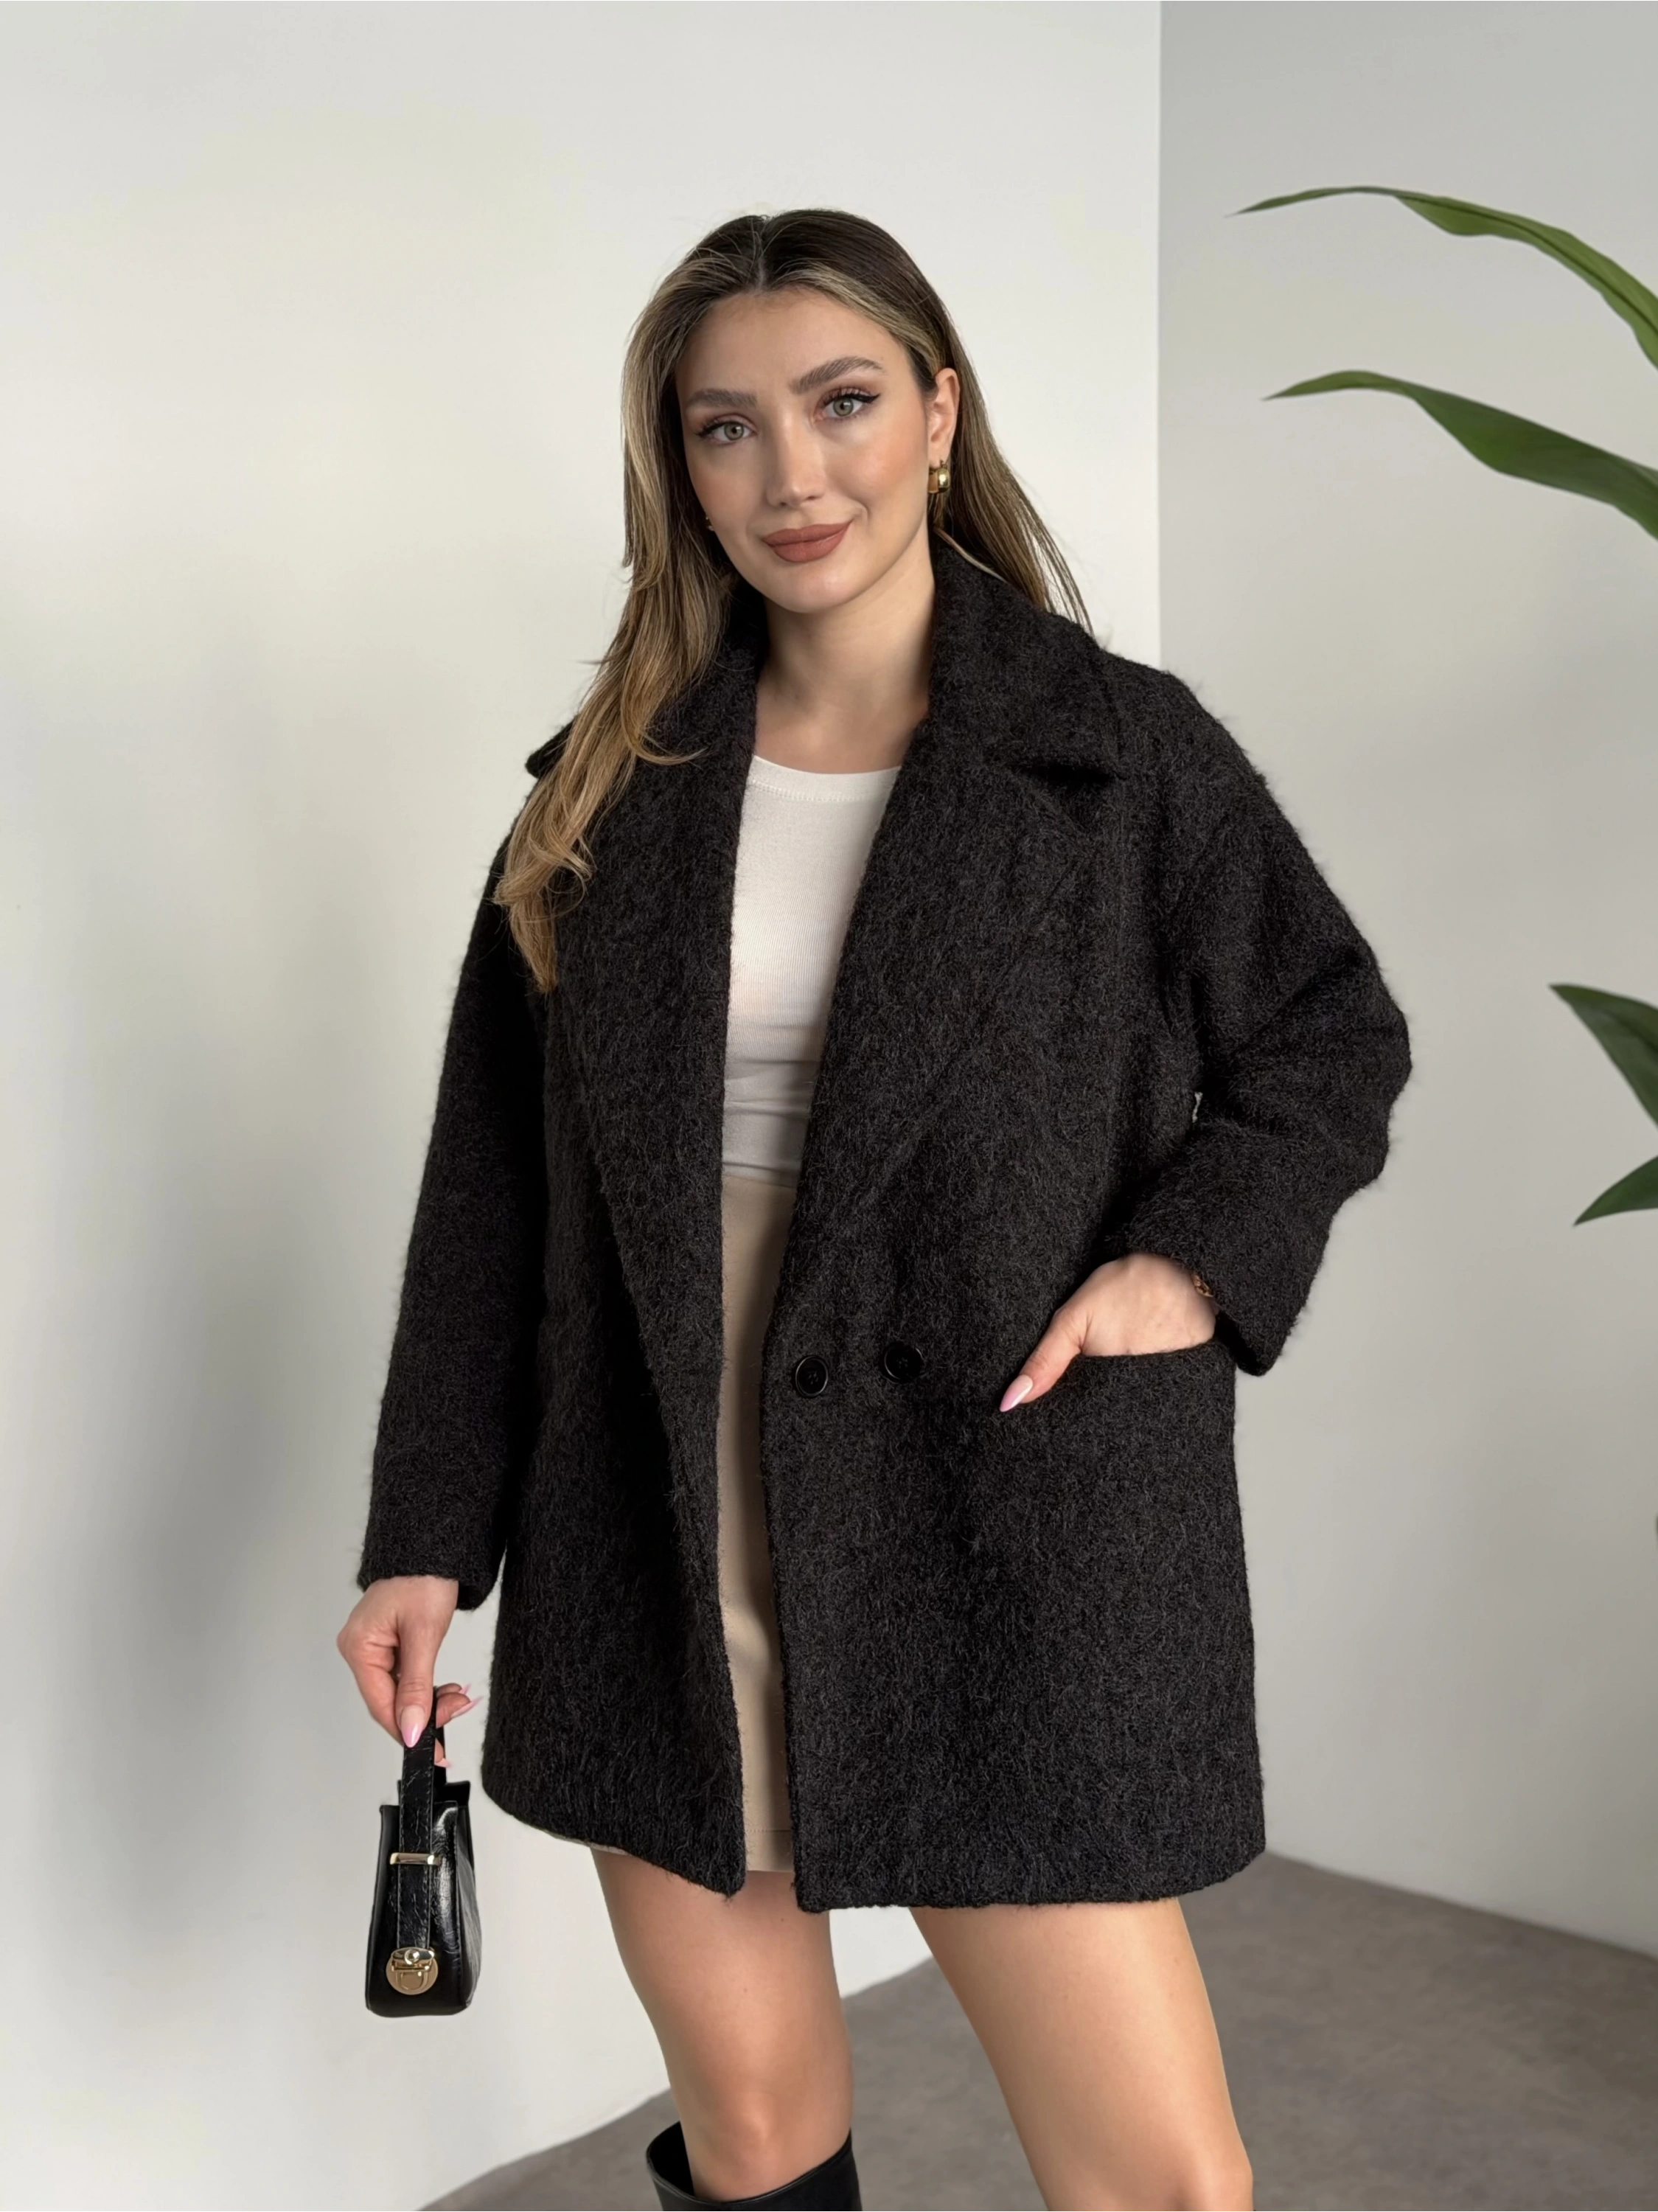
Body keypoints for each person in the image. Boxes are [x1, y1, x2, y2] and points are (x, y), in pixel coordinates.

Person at [338, 207, 1411, 2212]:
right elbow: (489, 1194)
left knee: (1158, 2179)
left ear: (939, 412)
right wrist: (424, 1535)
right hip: (652, 1504)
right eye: (726, 426)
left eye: (840, 402)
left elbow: (1327, 1033)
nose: (792, 473)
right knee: (755, 2132)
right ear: (680, 466)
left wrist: (1188, 1263)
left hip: (1003, 1500)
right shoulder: (604, 790)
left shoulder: (1121, 756)